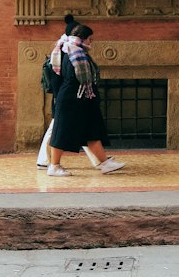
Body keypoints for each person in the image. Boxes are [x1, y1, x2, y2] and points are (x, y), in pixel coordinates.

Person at [47, 24, 126, 176]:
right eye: (90, 39)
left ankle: (105, 163)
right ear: (82, 39)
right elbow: (72, 79)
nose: (91, 42)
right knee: (61, 132)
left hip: (81, 98)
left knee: (91, 131)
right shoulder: (75, 54)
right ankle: (54, 166)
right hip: (72, 100)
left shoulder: (68, 50)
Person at [36, 13, 79, 167]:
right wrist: (58, 98)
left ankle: (99, 159)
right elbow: (56, 78)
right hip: (62, 97)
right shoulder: (62, 52)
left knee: (80, 126)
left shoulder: (62, 49)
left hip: (63, 96)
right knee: (55, 127)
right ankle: (43, 159)